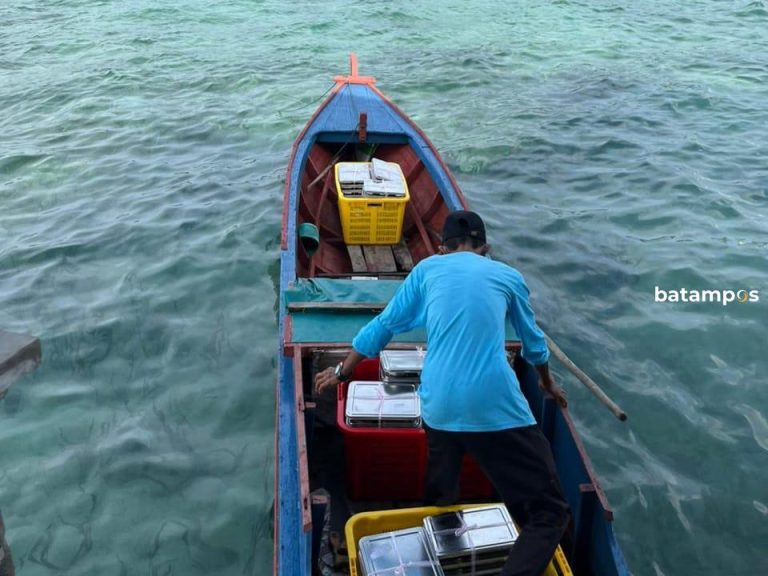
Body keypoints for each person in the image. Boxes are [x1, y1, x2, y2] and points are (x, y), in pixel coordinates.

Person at [315, 210, 570, 576]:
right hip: (495, 408)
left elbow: (385, 324)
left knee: (441, 491)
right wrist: (546, 383)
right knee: (550, 512)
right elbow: (534, 347)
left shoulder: (427, 270)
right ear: (486, 248)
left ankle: (441, 523)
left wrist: (343, 370)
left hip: (439, 407)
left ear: (441, 247)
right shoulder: (508, 276)